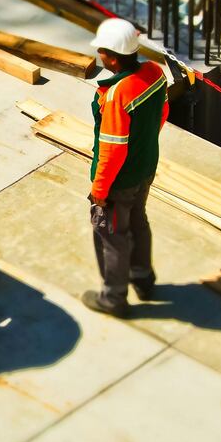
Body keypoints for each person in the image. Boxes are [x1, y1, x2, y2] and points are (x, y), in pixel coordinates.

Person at [82, 18, 169, 319]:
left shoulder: (118, 93)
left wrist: (100, 190)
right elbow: (163, 111)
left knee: (111, 234)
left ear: (113, 56)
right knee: (138, 222)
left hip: (120, 180)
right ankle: (143, 280)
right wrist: (144, 149)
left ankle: (114, 299)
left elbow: (112, 149)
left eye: (102, 52)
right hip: (146, 169)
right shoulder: (155, 74)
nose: (99, 56)